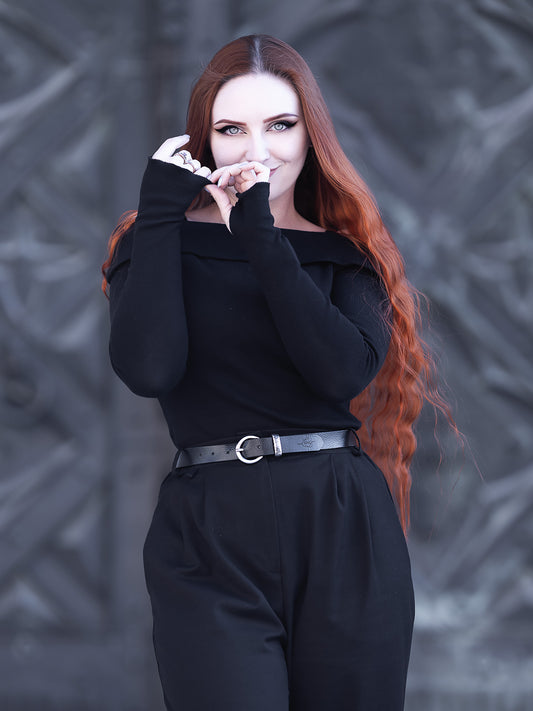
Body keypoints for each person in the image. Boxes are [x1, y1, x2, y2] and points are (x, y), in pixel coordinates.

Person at [102, 33, 453, 711]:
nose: (256, 150)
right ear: (204, 140)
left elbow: (339, 373)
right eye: (231, 129)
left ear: (310, 134)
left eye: (280, 125)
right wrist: (161, 216)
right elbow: (149, 368)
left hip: (341, 524)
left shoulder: (345, 255)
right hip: (208, 532)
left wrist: (259, 237)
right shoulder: (157, 243)